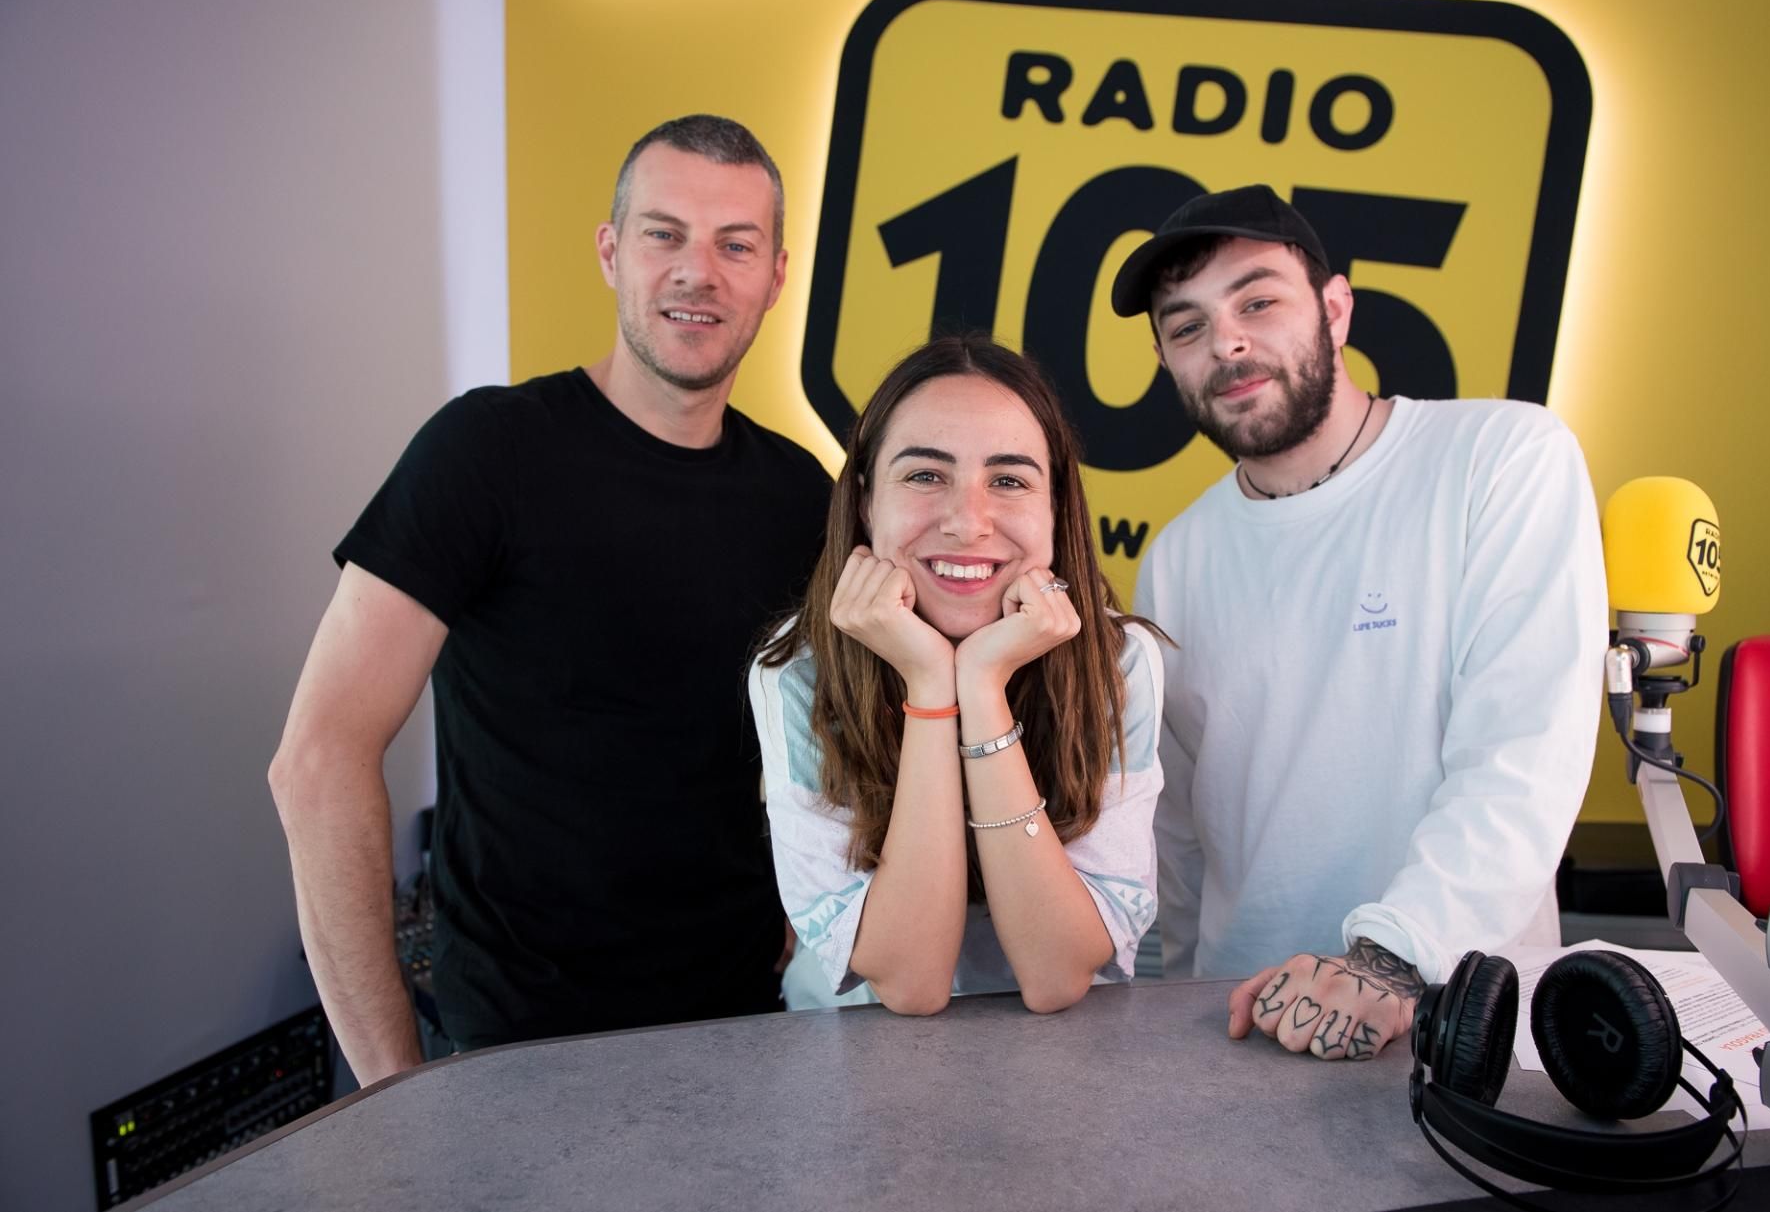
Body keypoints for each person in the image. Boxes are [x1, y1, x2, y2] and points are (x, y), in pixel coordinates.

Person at [268, 115, 831, 1082]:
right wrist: (391, 1091)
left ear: (776, 276)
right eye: (664, 234)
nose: (698, 272)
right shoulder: (487, 452)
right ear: (611, 252)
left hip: (742, 1038)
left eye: (735, 245)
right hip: (513, 1059)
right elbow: (317, 761)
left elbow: (832, 749)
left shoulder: (800, 495)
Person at [1111, 185, 1606, 1061]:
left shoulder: (1502, 459)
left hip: (1457, 1035)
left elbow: (1522, 761)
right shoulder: (1177, 558)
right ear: (1164, 360)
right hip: (1242, 1029)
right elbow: (1177, 840)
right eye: (1187, 327)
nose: (1226, 343)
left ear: (1336, 310)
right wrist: (1178, 1017)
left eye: (1257, 302)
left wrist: (1390, 959)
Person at [748, 336, 1165, 1015]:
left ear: (1056, 507)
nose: (967, 522)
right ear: (865, 501)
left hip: (1068, 1057)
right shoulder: (796, 671)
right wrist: (931, 686)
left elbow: (1057, 972)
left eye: (1009, 480)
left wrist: (982, 685)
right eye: (924, 476)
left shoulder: (1119, 662)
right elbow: (911, 983)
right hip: (854, 1051)